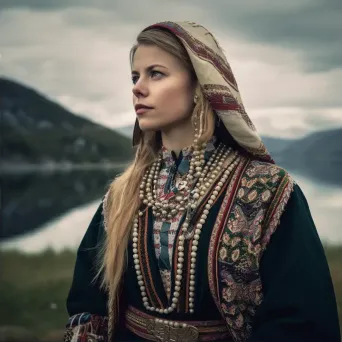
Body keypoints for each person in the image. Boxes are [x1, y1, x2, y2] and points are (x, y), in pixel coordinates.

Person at [63, 21, 341, 342]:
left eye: (156, 73)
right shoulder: (122, 193)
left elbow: (301, 319)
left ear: (200, 86)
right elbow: (88, 299)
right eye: (134, 76)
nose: (137, 87)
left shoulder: (267, 191)